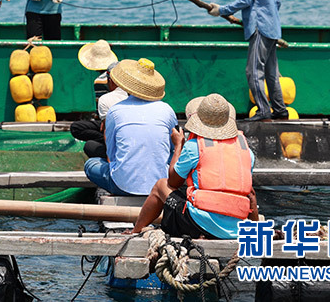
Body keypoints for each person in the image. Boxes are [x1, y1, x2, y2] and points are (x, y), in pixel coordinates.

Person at [131, 93, 259, 239]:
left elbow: (173, 182)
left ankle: (136, 231)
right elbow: (249, 193)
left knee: (160, 185)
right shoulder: (246, 152)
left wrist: (178, 146)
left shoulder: (194, 146)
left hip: (199, 224)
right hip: (237, 227)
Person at [208, 0, 286, 122]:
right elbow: (277, 2)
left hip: (260, 28)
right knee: (271, 73)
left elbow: (245, 0)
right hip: (272, 29)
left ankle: (263, 110)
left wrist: (221, 10)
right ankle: (280, 109)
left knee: (253, 71)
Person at [83, 58, 177, 196]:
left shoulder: (115, 111)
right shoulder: (167, 110)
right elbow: (173, 148)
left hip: (122, 186)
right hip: (161, 185)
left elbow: (112, 153)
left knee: (91, 164)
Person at [70, 40, 127, 158]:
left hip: (110, 123)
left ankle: (111, 142)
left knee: (77, 128)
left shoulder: (100, 81)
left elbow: (102, 118)